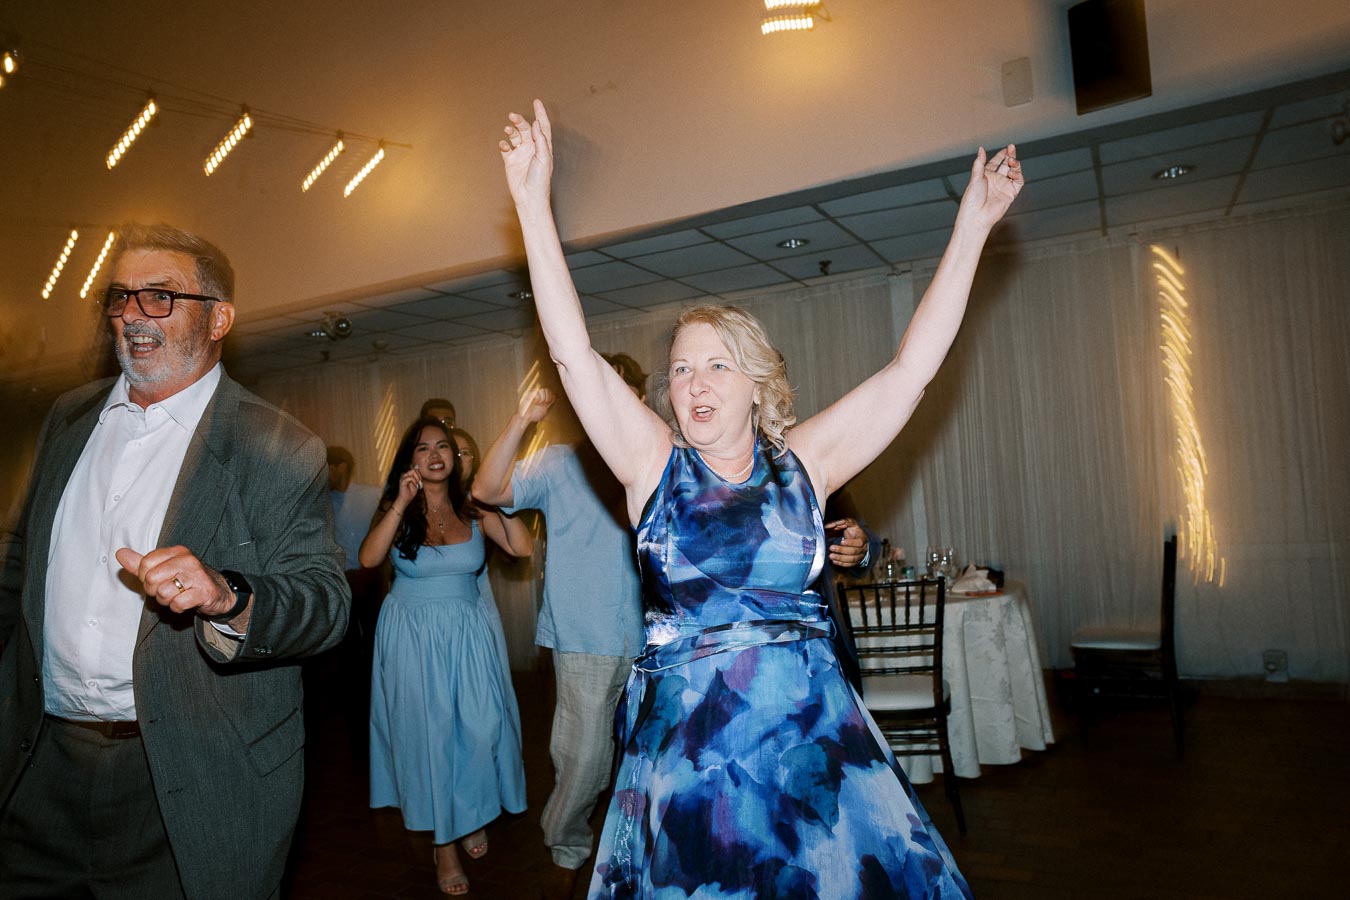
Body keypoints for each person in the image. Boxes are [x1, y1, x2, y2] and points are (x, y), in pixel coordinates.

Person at [498, 99, 1023, 897]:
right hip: (691, 760)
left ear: (756, 385)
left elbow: (910, 371)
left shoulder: (805, 464)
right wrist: (534, 206)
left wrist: (974, 227)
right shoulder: (652, 468)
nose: (694, 382)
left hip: (810, 744)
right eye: (680, 369)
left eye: (716, 365)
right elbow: (572, 355)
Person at [0, 223, 350, 899]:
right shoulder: (68, 419)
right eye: (120, 296)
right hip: (37, 765)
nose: (132, 314)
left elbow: (325, 603)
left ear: (218, 319)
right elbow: (18, 566)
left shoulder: (277, 445)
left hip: (184, 779)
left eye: (159, 296)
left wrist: (228, 596)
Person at [472, 358, 646, 892]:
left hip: (656, 635)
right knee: (585, 758)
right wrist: (523, 420)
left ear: (639, 402)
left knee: (649, 753)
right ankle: (566, 843)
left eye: (622, 394)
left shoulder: (659, 457)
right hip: (584, 634)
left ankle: (636, 848)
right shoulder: (557, 462)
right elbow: (487, 490)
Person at [360, 415, 533, 895]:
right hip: (411, 639)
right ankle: (445, 845)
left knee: (481, 729)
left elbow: (521, 548)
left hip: (467, 635)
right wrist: (400, 503)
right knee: (430, 740)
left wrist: (498, 497)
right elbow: (369, 558)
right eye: (423, 448)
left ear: (455, 459)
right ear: (410, 459)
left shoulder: (474, 509)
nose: (435, 455)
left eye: (443, 447)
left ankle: (470, 812)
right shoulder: (396, 510)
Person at [325, 444, 386, 756]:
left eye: (331, 468)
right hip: (341, 581)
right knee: (346, 646)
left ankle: (380, 701)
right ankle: (355, 711)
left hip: (369, 577)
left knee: (376, 640)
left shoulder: (371, 495)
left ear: (344, 468)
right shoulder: (320, 502)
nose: (327, 475)